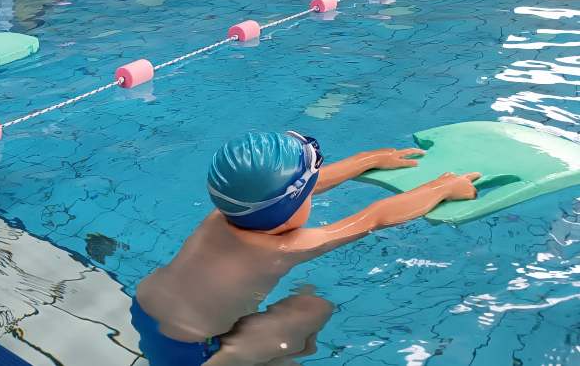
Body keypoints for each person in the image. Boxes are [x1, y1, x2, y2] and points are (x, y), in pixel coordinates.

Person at [133, 131, 480, 365]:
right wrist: (442, 189)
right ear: (290, 207)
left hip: (148, 311)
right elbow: (374, 218)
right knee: (312, 308)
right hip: (198, 355)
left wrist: (368, 159)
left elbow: (291, 191)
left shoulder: (224, 214)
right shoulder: (283, 247)